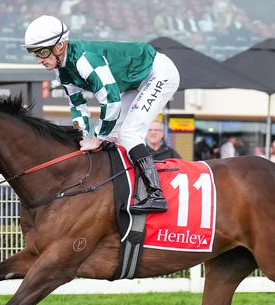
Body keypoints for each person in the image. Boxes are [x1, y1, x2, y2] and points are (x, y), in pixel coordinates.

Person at [24, 15, 180, 213]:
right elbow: (78, 106)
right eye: (34, 53)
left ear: (61, 46)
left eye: (43, 52)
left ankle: (156, 194)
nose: (39, 59)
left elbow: (111, 101)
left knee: (129, 133)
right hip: (134, 82)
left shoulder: (84, 60)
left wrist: (97, 138)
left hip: (159, 73)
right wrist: (81, 137)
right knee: (115, 136)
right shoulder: (61, 70)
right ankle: (129, 190)